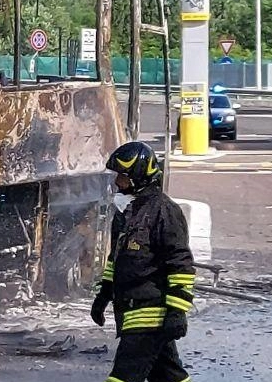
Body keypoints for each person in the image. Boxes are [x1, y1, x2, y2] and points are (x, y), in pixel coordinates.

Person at [91, 141, 195, 382]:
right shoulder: (127, 212)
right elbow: (116, 259)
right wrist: (104, 294)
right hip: (130, 309)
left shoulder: (164, 211)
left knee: (123, 377)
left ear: (139, 177)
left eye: (124, 177)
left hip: (150, 314)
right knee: (168, 376)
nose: (118, 182)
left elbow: (181, 265)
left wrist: (177, 312)